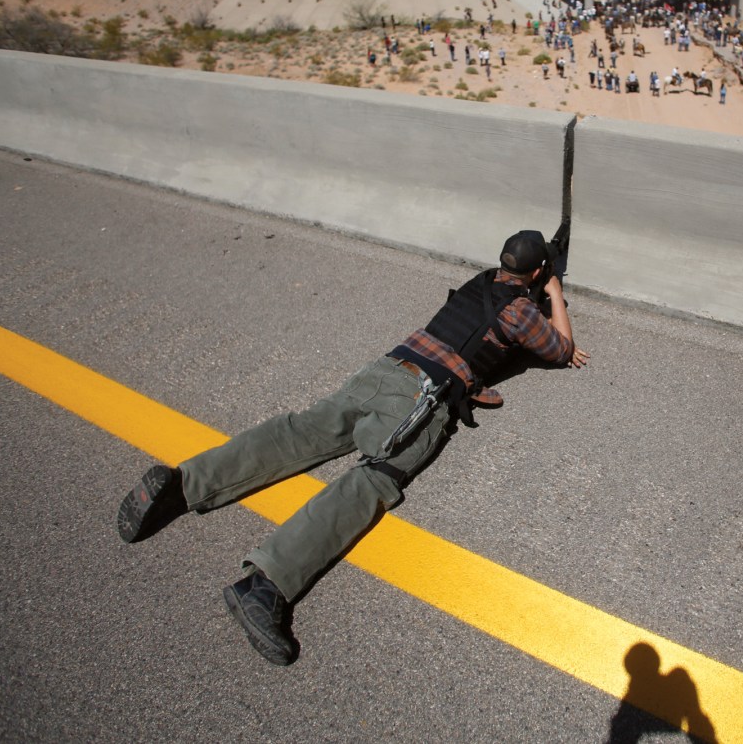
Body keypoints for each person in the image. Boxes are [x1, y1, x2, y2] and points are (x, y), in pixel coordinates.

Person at [116, 230, 588, 665]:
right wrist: (553, 295)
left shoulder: (481, 281)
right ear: (539, 271)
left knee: (301, 431)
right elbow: (561, 350)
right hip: (422, 398)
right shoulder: (522, 310)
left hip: (387, 367)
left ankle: (183, 483)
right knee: (369, 483)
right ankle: (266, 584)